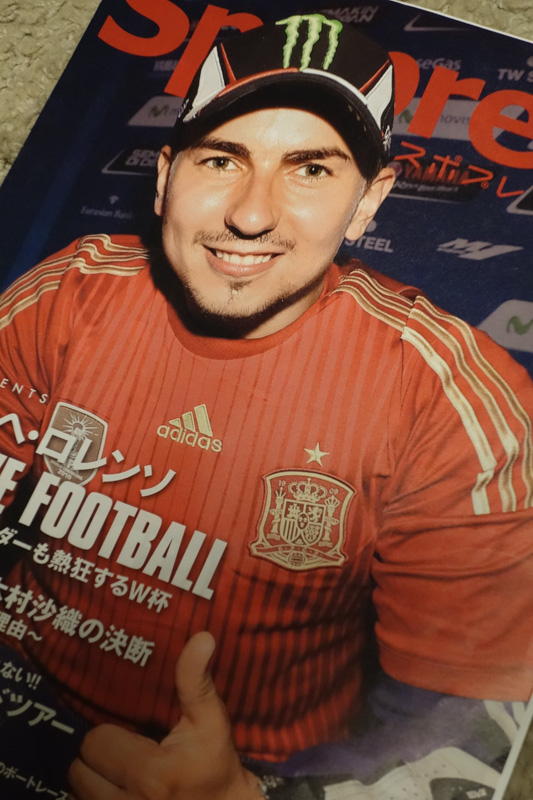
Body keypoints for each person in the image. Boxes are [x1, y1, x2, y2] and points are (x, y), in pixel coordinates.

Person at [0, 13, 531, 800]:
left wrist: (247, 796)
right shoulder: (68, 293)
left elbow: (470, 733)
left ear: (368, 201)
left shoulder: (448, 396)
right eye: (222, 159)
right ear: (164, 178)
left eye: (310, 169)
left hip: (271, 771)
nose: (250, 215)